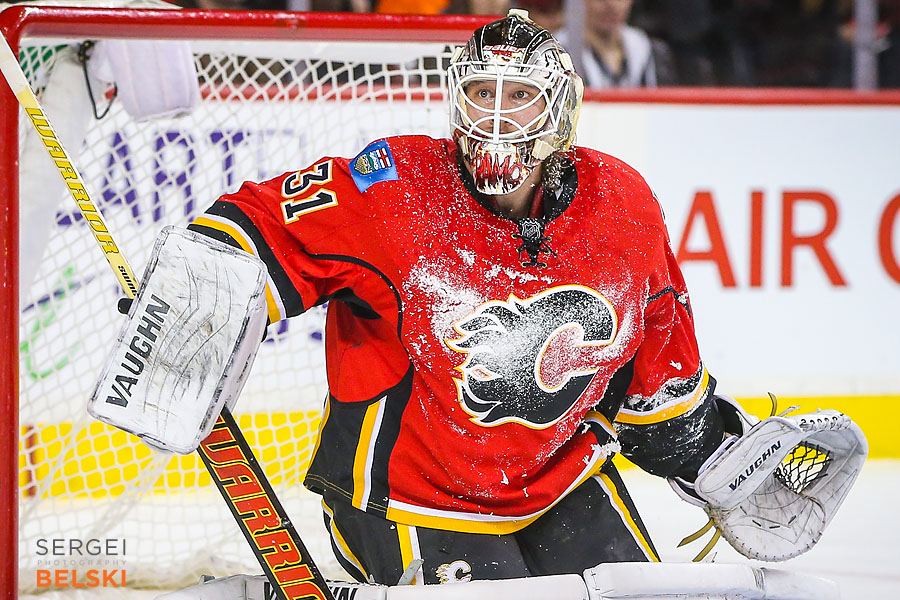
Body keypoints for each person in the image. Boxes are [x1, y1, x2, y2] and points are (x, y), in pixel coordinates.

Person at [185, 10, 732, 585]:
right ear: (455, 99)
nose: (495, 115)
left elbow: (661, 362)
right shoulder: (397, 190)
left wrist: (710, 454)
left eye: (520, 94)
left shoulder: (620, 203)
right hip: (408, 497)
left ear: (560, 108)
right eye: (479, 92)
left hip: (560, 481)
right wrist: (191, 287)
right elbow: (262, 223)